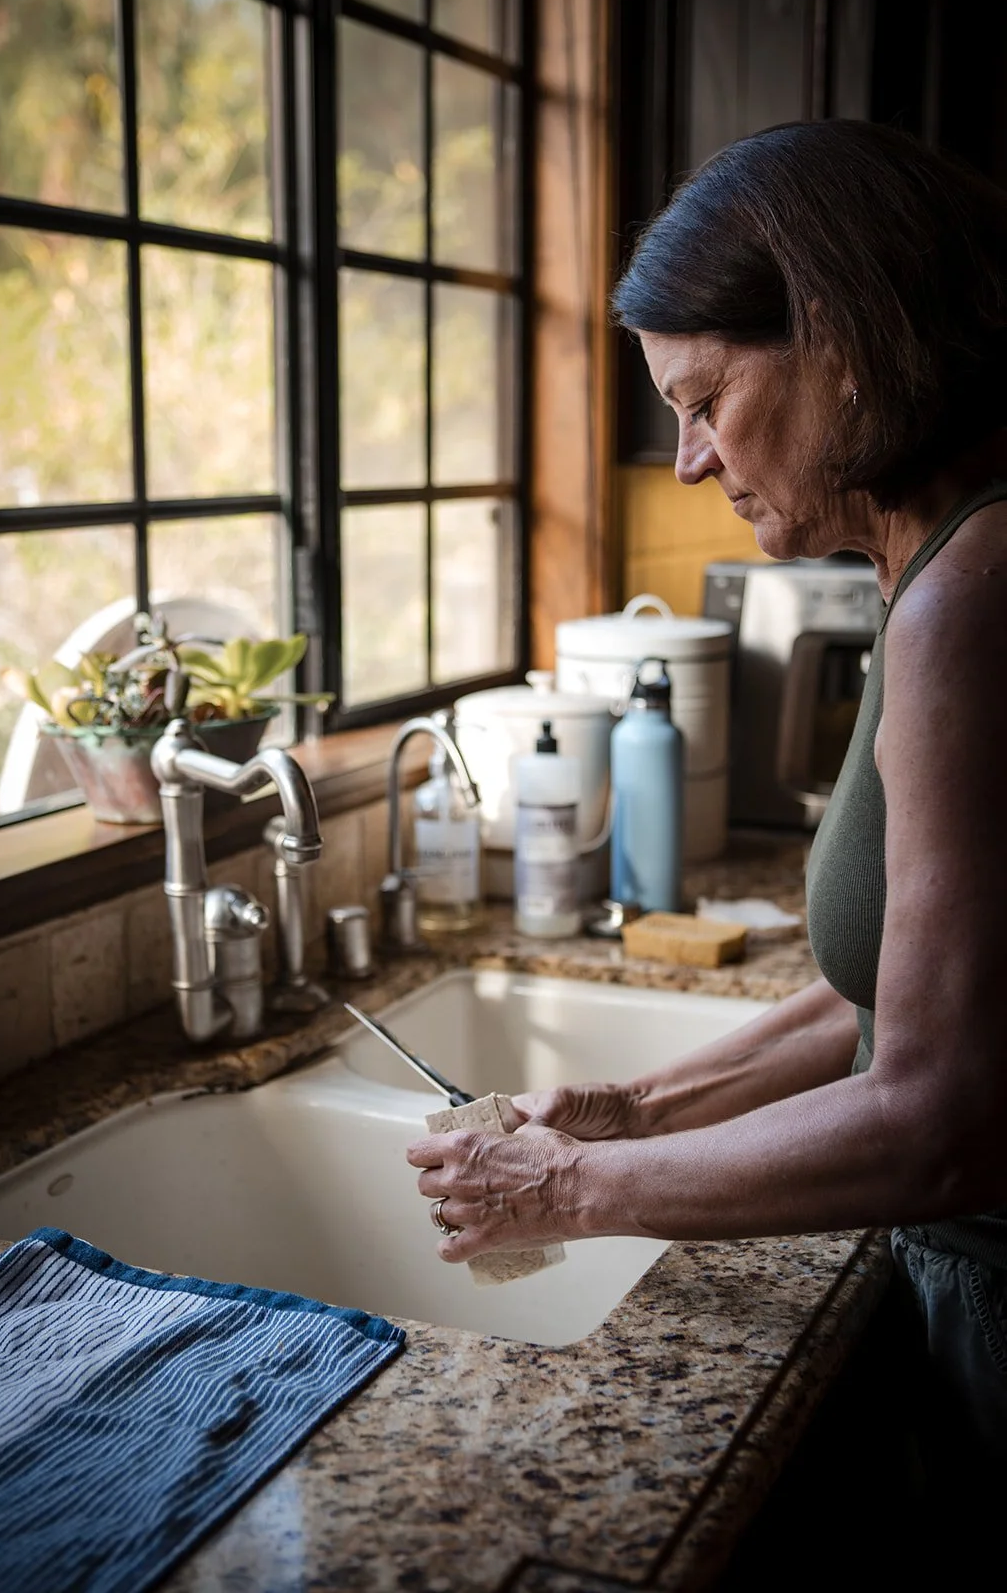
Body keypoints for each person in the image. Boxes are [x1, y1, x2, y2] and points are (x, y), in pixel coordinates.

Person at [406, 118, 1007, 1506]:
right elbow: (911, 992)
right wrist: (635, 1106)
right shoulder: (934, 555)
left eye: (702, 398)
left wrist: (561, 1192)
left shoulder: (971, 598)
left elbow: (939, 1115)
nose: (684, 459)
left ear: (841, 334)